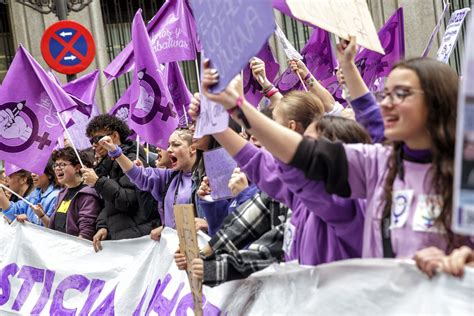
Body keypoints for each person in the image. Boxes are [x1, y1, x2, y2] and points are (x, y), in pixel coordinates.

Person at [198, 35, 473, 259]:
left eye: (401, 94)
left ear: (438, 100)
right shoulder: (378, 163)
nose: (386, 103)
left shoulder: (467, 172)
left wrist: (460, 261)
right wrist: (236, 108)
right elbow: (304, 158)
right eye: (384, 94)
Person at [83, 114, 160, 251]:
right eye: (91, 141)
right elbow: (109, 203)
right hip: (124, 238)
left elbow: (127, 201)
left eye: (97, 139)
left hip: (141, 239)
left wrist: (98, 182)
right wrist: (103, 226)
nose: (94, 145)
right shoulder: (107, 165)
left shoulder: (131, 160)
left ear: (114, 136)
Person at [98, 127, 197, 232]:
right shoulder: (170, 176)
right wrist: (115, 151)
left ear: (193, 149)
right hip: (174, 245)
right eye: (168, 145)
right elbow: (138, 175)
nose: (168, 149)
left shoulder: (205, 179)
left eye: (176, 145)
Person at [46, 147, 101, 240]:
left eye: (62, 164)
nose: (57, 169)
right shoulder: (61, 193)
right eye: (55, 165)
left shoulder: (88, 194)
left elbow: (87, 230)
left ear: (77, 168)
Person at [0, 159, 60, 226]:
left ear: (49, 174)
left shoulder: (56, 196)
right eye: (32, 171)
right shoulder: (35, 194)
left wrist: (29, 221)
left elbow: (53, 227)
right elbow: (15, 211)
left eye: (37, 171)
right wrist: (1, 195)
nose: (33, 174)